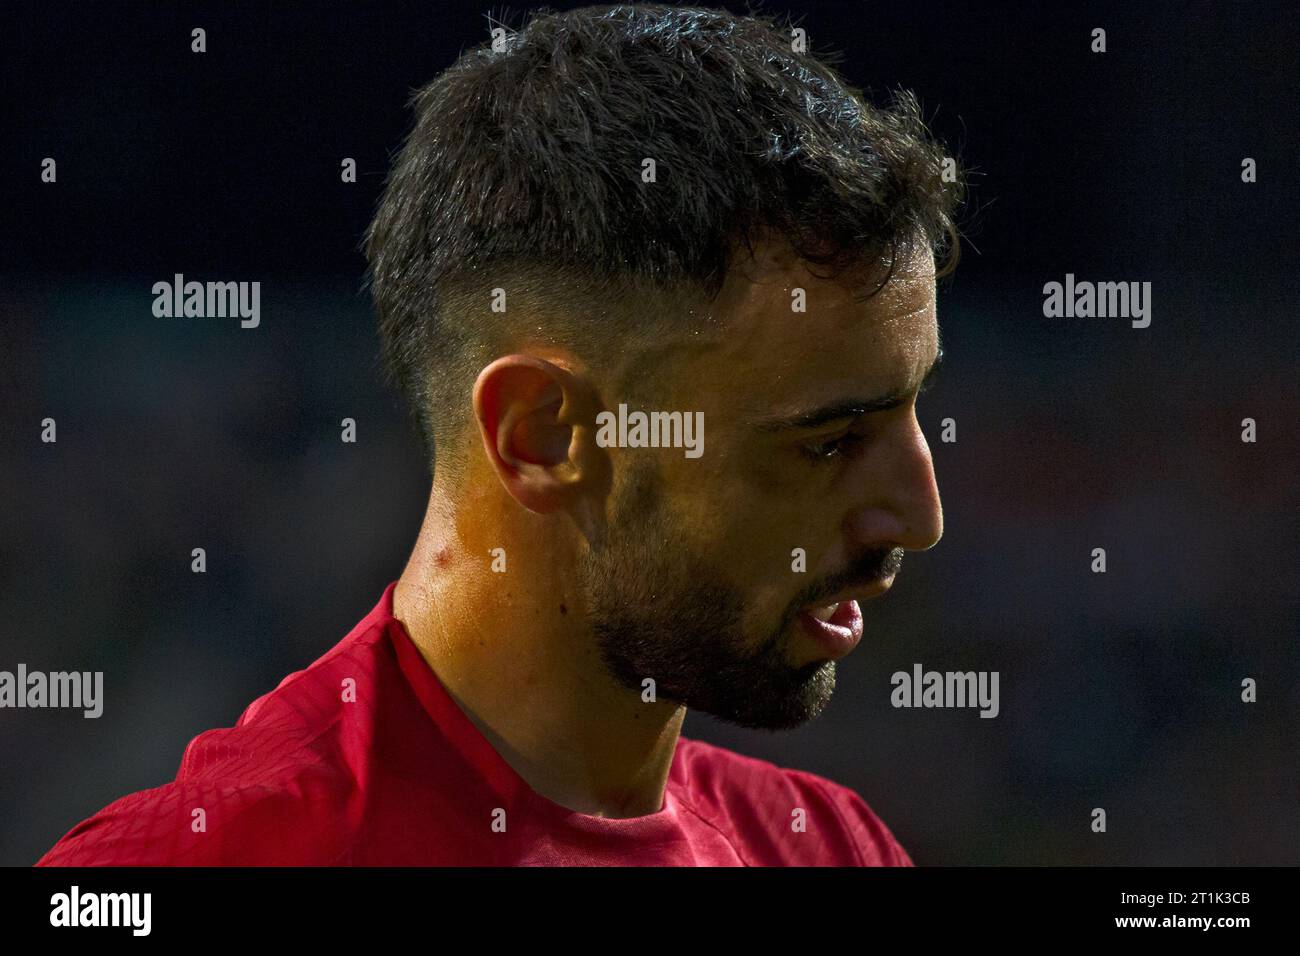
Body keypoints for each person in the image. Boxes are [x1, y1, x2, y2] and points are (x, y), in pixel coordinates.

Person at [39, 2, 961, 866]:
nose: (919, 517)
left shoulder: (829, 845)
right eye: (829, 441)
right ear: (540, 437)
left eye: (912, 405)